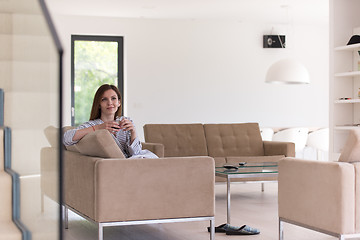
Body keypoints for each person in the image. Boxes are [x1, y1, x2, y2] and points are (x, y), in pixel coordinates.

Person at [63, 84, 158, 159]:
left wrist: (133, 132)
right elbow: (66, 138)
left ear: (119, 102)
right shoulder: (93, 125)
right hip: (115, 167)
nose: (110, 103)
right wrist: (99, 128)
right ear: (99, 104)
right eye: (104, 99)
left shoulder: (126, 121)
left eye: (113, 98)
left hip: (133, 163)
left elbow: (136, 152)